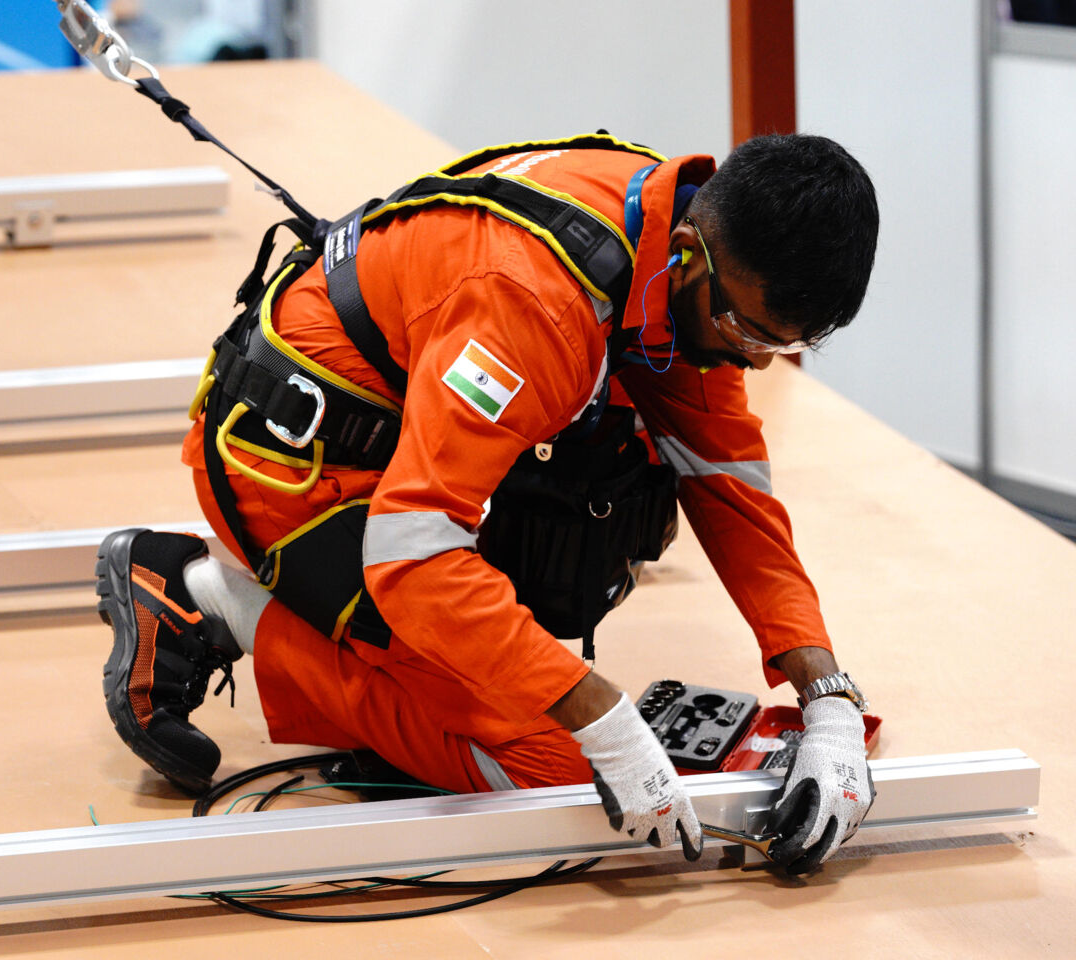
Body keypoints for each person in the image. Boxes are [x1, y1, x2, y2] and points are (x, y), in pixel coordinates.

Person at [95, 131, 880, 875]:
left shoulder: (666, 230)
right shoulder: (535, 302)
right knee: (553, 770)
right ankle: (215, 601)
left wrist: (829, 699)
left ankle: (358, 656)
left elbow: (730, 487)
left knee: (600, 497)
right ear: (689, 257)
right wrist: (603, 719)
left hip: (397, 446)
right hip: (293, 477)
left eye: (784, 346)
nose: (760, 362)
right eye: (751, 333)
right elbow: (413, 554)